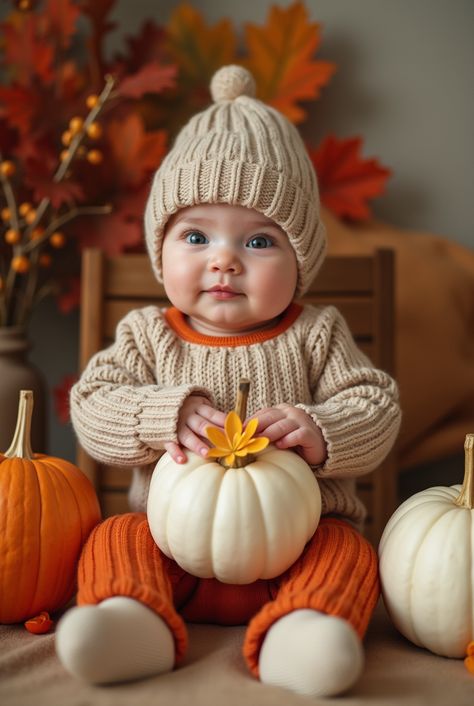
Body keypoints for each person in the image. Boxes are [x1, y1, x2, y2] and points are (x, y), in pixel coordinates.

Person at [56, 65, 401, 698]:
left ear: (302, 262)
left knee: (349, 552)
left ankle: (305, 629)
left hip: (298, 543)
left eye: (260, 240)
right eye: (195, 235)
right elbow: (92, 403)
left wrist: (322, 429)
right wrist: (161, 414)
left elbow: (375, 403)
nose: (224, 259)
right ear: (163, 252)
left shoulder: (317, 332)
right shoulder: (146, 334)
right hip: (170, 542)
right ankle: (132, 621)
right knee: (116, 536)